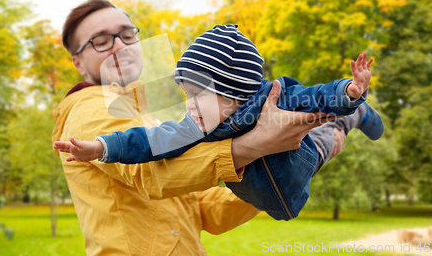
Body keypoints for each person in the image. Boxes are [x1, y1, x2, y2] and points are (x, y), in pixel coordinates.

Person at [52, 0, 345, 255]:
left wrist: (280, 167)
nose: (120, 45)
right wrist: (255, 145)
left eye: (127, 35)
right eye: (101, 41)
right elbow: (152, 175)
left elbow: (208, 211)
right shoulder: (88, 109)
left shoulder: (144, 116)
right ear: (78, 62)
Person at [55, 24, 384, 221]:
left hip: (301, 160)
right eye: (185, 94)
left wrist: (349, 90)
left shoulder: (275, 97)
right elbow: (146, 142)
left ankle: (355, 114)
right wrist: (101, 146)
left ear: (234, 93)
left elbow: (316, 95)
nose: (189, 106)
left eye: (198, 95)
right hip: (272, 195)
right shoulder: (193, 127)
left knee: (328, 134)